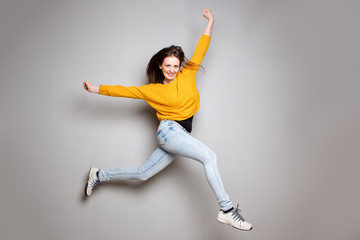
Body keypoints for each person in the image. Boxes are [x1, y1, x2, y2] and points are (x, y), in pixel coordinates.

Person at [83, 9, 252, 231]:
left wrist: (210, 21)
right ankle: (227, 210)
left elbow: (202, 46)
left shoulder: (188, 74)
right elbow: (125, 91)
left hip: (179, 136)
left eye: (175, 65)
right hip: (169, 132)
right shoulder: (152, 90)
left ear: (179, 66)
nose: (172, 70)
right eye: (167, 66)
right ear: (160, 67)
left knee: (143, 174)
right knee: (209, 157)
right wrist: (95, 89)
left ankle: (99, 174)